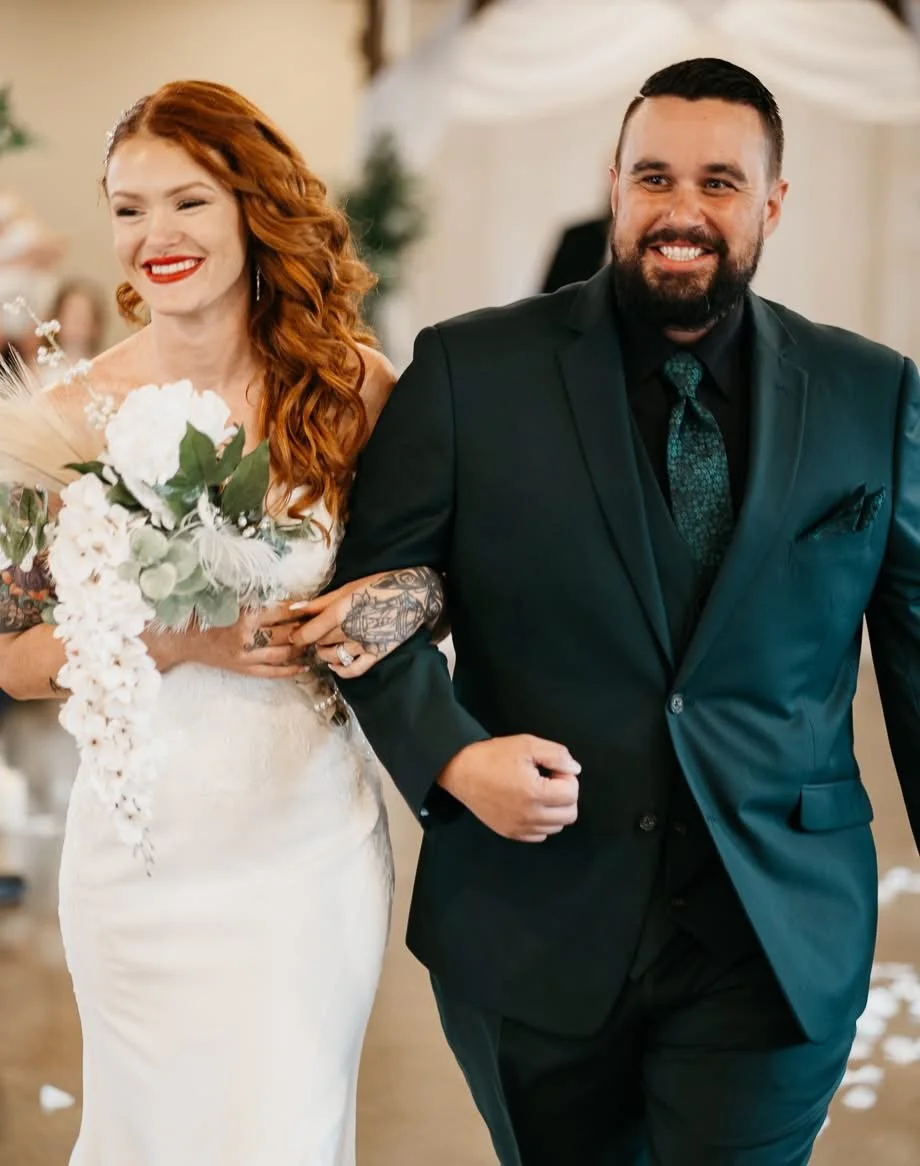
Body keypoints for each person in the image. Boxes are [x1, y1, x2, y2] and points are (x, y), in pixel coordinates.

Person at [298, 58, 920, 1165]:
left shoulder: (872, 394)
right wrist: (451, 757)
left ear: (772, 201)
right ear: (614, 184)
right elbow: (363, 606)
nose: (681, 210)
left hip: (773, 937)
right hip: (532, 923)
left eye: (719, 182)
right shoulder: (467, 372)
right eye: (654, 177)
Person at [0, 80, 441, 1166]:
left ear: (252, 207)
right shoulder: (61, 418)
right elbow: (12, 657)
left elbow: (435, 591)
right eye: (127, 207)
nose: (155, 235)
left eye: (187, 201)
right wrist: (181, 640)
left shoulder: (351, 392)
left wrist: (351, 614)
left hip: (305, 849)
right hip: (138, 862)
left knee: (281, 1130)